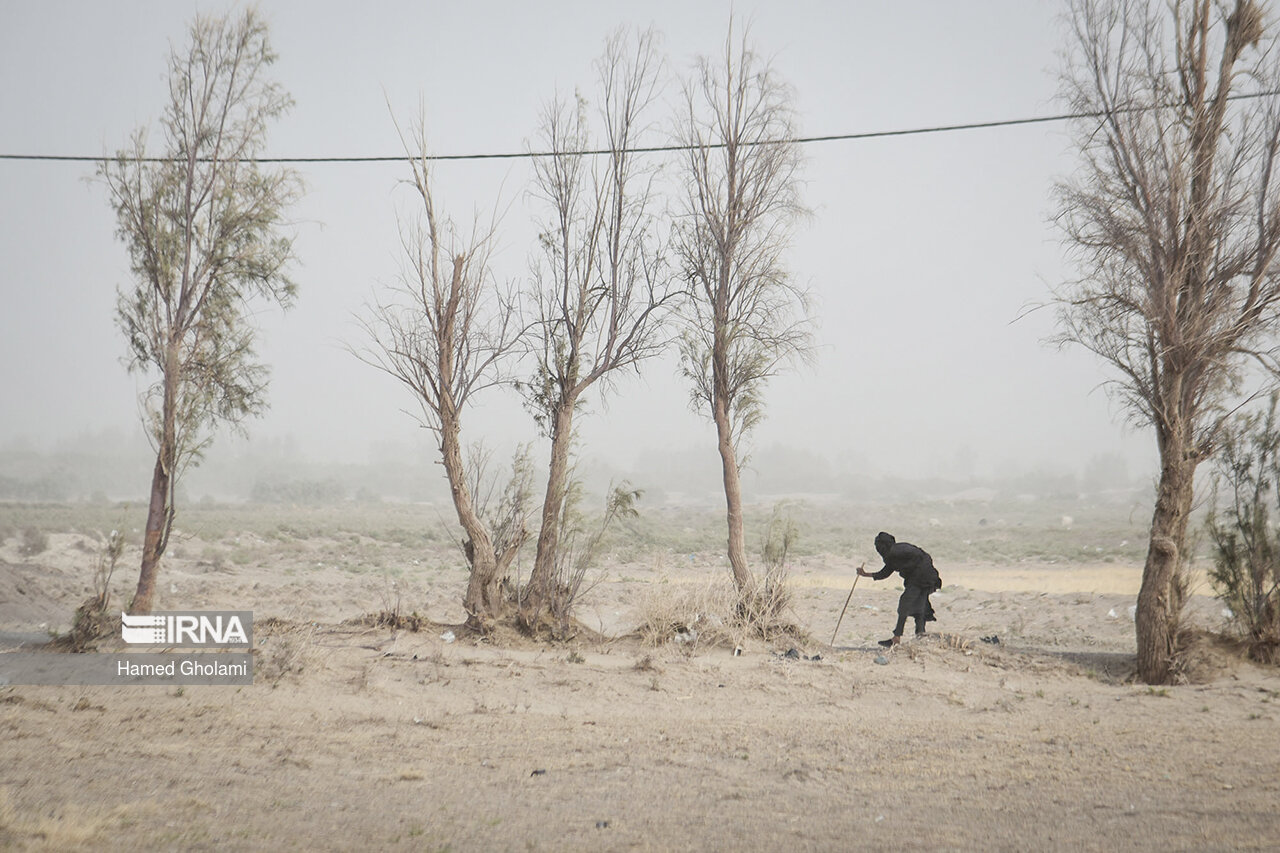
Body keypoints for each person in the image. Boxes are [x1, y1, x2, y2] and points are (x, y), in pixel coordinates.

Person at [857, 531, 942, 647]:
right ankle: (920, 635)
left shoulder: (897, 551)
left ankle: (897, 638)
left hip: (921, 578)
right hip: (923, 578)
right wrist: (865, 574)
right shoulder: (893, 555)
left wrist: (915, 572)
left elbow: (922, 557)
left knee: (905, 604)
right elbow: (885, 572)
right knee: (920, 605)